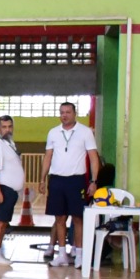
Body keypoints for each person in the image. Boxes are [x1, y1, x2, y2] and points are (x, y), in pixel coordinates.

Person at [42, 102, 100, 267]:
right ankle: (61, 254)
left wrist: (94, 181)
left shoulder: (85, 132)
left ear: (75, 113)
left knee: (77, 218)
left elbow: (94, 158)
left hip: (76, 180)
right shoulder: (53, 132)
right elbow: (47, 157)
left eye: (68, 112)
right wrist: (42, 178)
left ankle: (79, 254)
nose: (64, 115)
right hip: (57, 179)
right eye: (61, 112)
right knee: (59, 218)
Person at [0, 115, 24, 265]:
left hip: (9, 189)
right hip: (1, 188)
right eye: (4, 127)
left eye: (10, 126)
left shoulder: (8, 143)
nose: (7, 129)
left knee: (3, 223)